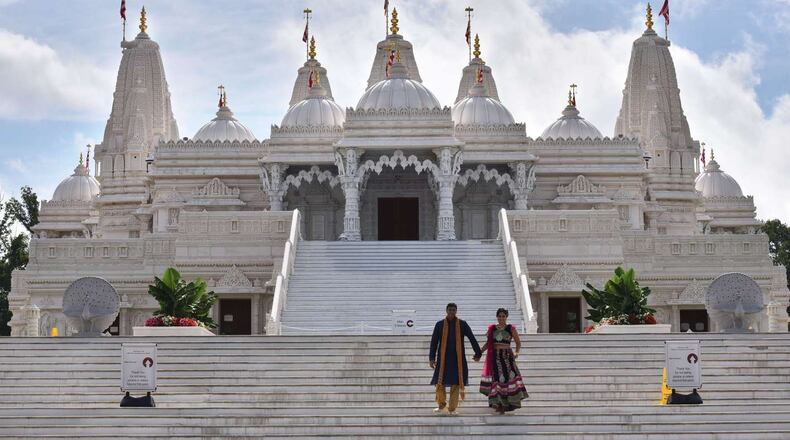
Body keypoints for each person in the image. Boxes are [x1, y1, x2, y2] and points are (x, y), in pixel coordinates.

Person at [429, 303, 482, 415]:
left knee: (456, 383)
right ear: (446, 311)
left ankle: (452, 408)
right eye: (450, 310)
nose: (451, 312)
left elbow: (472, 338)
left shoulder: (462, 324)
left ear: (456, 311)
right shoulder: (439, 325)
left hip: (457, 359)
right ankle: (441, 404)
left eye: (453, 310)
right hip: (443, 359)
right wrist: (431, 358)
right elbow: (434, 342)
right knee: (439, 382)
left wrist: (478, 353)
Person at [479, 308, 528, 413]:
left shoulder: (511, 328)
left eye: (503, 316)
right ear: (497, 317)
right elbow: (488, 343)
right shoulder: (492, 329)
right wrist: (479, 352)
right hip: (495, 357)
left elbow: (518, 343)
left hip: (507, 357)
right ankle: (499, 404)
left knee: (509, 379)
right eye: (499, 316)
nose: (501, 318)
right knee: (497, 380)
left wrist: (517, 352)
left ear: (506, 317)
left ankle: (508, 404)